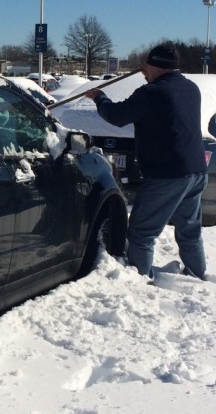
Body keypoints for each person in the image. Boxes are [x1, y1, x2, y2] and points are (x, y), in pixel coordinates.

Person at [82, 44, 208, 281]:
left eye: (146, 65)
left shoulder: (151, 93)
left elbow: (117, 116)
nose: (143, 70)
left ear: (157, 65)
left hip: (167, 174)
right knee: (190, 231)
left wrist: (100, 98)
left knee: (141, 233)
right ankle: (198, 277)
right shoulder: (191, 89)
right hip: (196, 170)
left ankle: (139, 283)